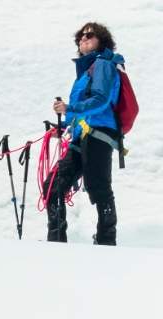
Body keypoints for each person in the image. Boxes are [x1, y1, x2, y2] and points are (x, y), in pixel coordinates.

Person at [43, 23, 124, 244]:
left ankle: (107, 242)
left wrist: (70, 109)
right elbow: (83, 105)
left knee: (98, 187)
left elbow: (100, 99)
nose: (84, 39)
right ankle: (56, 241)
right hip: (83, 135)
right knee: (53, 186)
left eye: (90, 35)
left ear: (102, 40)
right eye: (80, 36)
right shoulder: (85, 72)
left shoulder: (104, 64)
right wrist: (65, 124)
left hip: (99, 132)